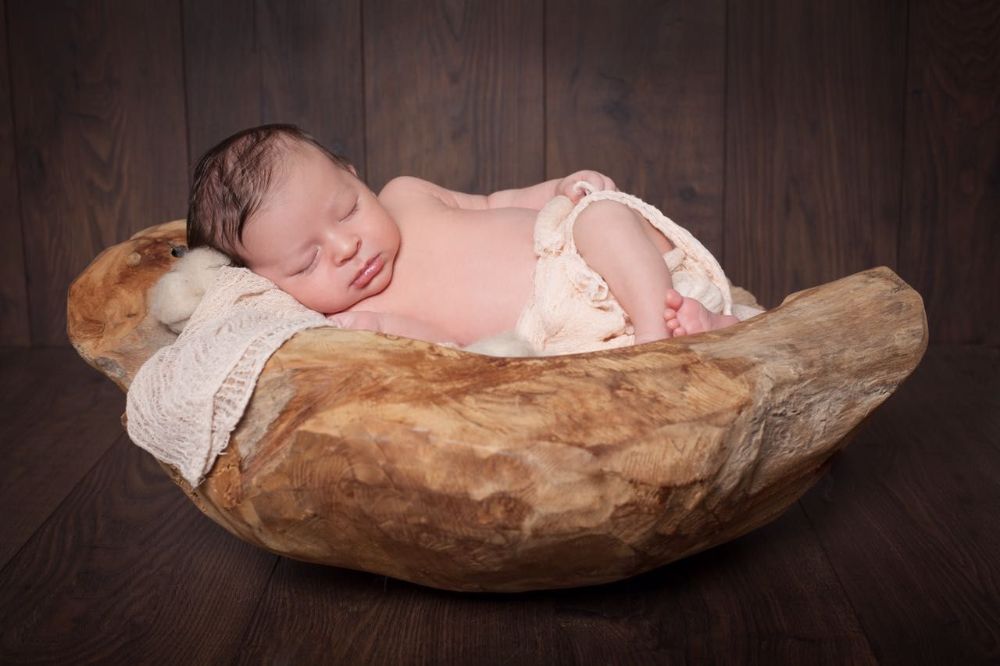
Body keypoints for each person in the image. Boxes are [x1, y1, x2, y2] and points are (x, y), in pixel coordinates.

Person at [186, 124, 739, 352]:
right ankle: (714, 327)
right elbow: (442, 349)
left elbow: (501, 201)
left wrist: (563, 187)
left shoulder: (405, 195)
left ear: (354, 177)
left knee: (600, 214)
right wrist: (376, 325)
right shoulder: (355, 319)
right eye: (307, 263)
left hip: (590, 260)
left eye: (348, 210)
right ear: (264, 285)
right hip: (565, 335)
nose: (346, 247)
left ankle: (656, 336)